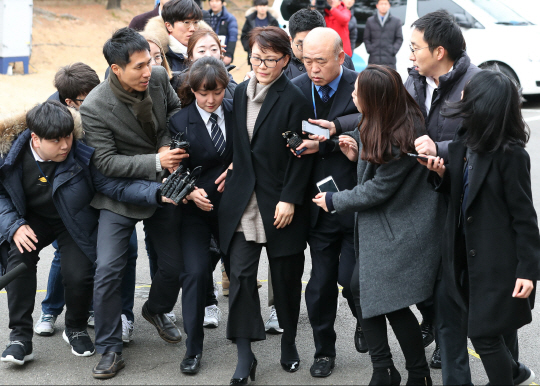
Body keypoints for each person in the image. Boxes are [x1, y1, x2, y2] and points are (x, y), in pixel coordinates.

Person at [0, 101, 166, 366]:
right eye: (56, 140)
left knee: (78, 274)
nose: (65, 144)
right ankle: (20, 338)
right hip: (30, 220)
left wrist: (156, 192)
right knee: (18, 258)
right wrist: (14, 226)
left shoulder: (81, 152)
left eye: (67, 136)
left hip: (73, 221)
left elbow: (113, 186)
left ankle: (75, 327)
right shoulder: (9, 155)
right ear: (35, 139)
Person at [313, 64, 442, 385]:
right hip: (383, 230)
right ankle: (386, 369)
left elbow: (379, 188)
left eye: (358, 92)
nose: (353, 95)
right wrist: (353, 151)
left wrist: (333, 201)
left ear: (375, 98)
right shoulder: (383, 118)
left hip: (399, 232)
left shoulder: (401, 134)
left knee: (385, 300)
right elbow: (364, 141)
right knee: (363, 291)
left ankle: (410, 372)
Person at [420, 70, 539, 386]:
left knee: (482, 334)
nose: (461, 95)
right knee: (486, 331)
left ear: (483, 106)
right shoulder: (464, 141)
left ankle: (509, 377)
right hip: (462, 256)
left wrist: (528, 271)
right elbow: (462, 194)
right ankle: (515, 374)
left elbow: (525, 218)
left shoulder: (511, 154)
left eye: (468, 94)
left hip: (497, 262)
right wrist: (440, 174)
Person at [80, 27, 184, 379]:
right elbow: (105, 162)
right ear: (115, 68)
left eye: (150, 63)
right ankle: (109, 348)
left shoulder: (157, 77)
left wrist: (167, 147)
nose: (148, 71)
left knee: (174, 265)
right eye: (138, 66)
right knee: (108, 269)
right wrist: (156, 161)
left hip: (164, 185)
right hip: (118, 194)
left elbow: (174, 112)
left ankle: (155, 310)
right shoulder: (94, 106)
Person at [218, 26, 314, 382]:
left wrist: (290, 198)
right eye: (256, 57)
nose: (261, 64)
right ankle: (245, 355)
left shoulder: (296, 99)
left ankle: (289, 340)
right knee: (241, 276)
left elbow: (301, 155)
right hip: (244, 201)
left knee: (286, 279)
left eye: (270, 59)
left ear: (286, 60)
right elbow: (242, 148)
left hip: (281, 202)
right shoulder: (241, 92)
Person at [404, 10, 481, 381]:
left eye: (415, 47)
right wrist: (341, 129)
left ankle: (506, 367)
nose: (410, 53)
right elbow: (384, 117)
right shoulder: (414, 81)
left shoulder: (477, 84)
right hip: (422, 200)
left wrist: (441, 148)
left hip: (463, 206)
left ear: (438, 51)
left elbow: (487, 144)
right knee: (438, 291)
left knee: (471, 299)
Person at [290, 27, 363, 378]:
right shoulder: (297, 87)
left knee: (353, 282)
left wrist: (332, 132)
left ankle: (366, 320)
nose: (313, 69)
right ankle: (324, 351)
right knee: (319, 287)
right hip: (316, 203)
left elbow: (371, 120)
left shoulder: (360, 85)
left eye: (320, 61)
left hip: (352, 200)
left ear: (340, 57)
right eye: (306, 61)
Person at [169, 57, 233, 375]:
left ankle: (245, 336)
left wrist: (237, 168)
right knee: (194, 275)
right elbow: (173, 168)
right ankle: (193, 348)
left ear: (225, 87)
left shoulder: (237, 113)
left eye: (217, 92)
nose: (210, 100)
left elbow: (255, 152)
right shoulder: (180, 122)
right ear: (192, 90)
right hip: (194, 211)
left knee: (241, 272)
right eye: (203, 93)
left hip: (233, 209)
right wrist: (190, 191)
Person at [34, 63, 102, 337]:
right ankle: (50, 309)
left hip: (95, 191)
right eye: (89, 98)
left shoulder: (97, 107)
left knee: (113, 252)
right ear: (69, 102)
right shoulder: (53, 118)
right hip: (66, 199)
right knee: (65, 254)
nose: (97, 100)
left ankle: (95, 308)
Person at [285, 8, 355, 79]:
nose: (308, 52)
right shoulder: (280, 67)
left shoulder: (341, 59)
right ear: (291, 41)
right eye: (301, 45)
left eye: (314, 43)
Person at [161, 0, 204, 71]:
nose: (192, 28)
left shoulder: (206, 51)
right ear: (169, 26)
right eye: (186, 22)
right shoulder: (161, 57)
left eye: (196, 22)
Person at [363, 0, 403, 70]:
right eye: (381, 4)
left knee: (390, 79)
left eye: (385, 4)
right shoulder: (370, 20)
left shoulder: (396, 21)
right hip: (373, 59)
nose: (383, 6)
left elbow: (399, 38)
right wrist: (370, 49)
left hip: (389, 60)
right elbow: (366, 38)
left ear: (389, 6)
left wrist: (393, 50)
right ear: (377, 6)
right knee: (372, 80)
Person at [240, 0, 279, 65]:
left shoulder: (273, 21)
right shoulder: (250, 20)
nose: (262, 8)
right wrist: (249, 48)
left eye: (264, 5)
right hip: (254, 54)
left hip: (269, 54)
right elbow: (244, 35)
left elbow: (277, 37)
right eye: (260, 5)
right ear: (256, 7)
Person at [207, 0, 238, 65]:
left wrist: (229, 54)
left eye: (217, 1)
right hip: (207, 52)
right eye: (212, 1)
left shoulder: (229, 18)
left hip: (222, 53)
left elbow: (233, 37)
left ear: (222, 3)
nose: (214, 3)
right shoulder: (205, 16)